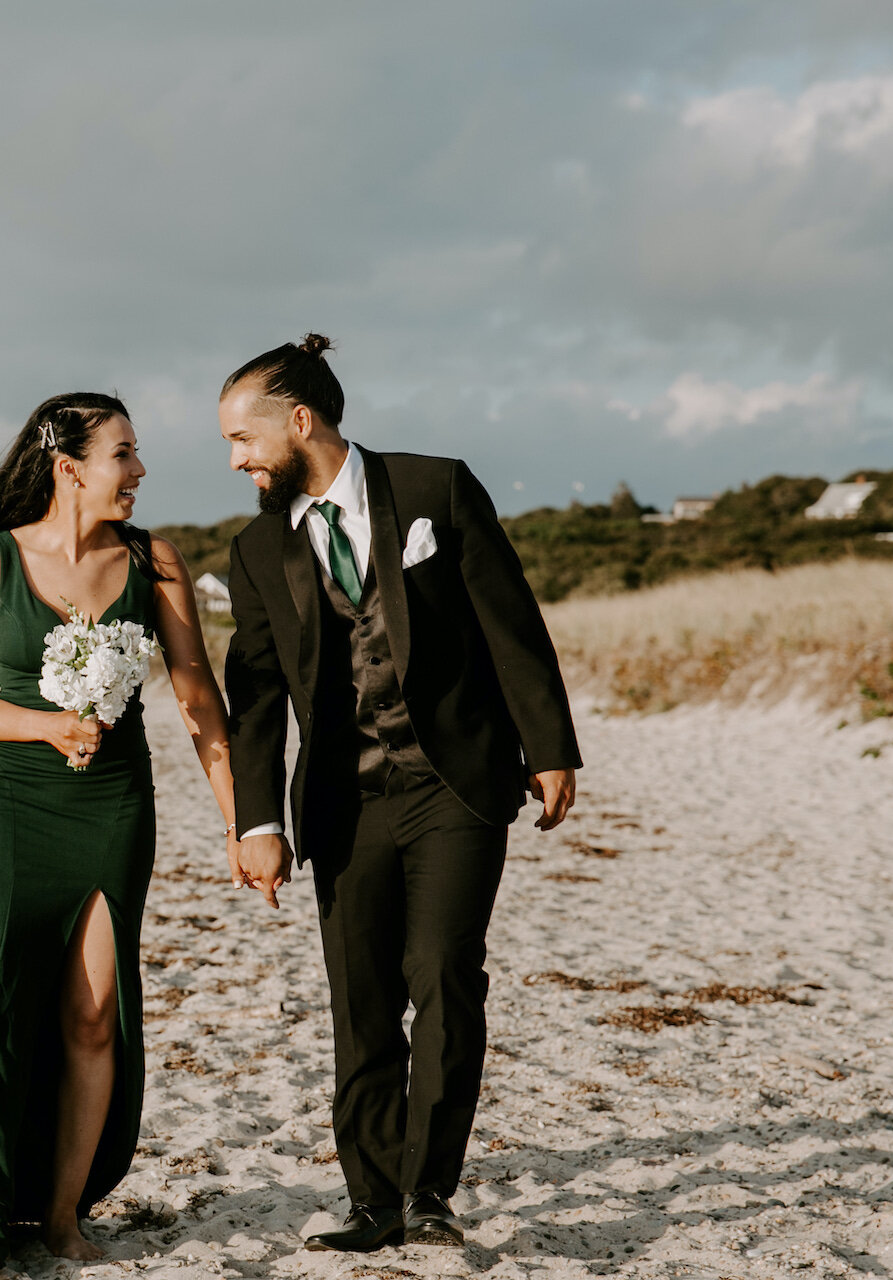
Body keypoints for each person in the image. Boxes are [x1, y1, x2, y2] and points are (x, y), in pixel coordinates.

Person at [0, 393, 241, 1280]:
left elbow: (196, 697)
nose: (140, 471)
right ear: (70, 466)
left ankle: (64, 1215)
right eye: (124, 454)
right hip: (9, 803)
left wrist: (241, 823)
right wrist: (45, 725)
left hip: (114, 805)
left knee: (94, 1014)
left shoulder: (156, 561)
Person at [219, 335, 581, 1252]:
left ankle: (430, 1193)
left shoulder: (433, 490)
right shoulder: (259, 547)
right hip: (343, 803)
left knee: (446, 977)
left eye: (242, 437)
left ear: (300, 420)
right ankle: (372, 1200)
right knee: (363, 999)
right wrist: (256, 819)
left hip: (453, 781)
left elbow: (511, 622)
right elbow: (255, 695)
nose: (237, 459)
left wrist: (549, 745)